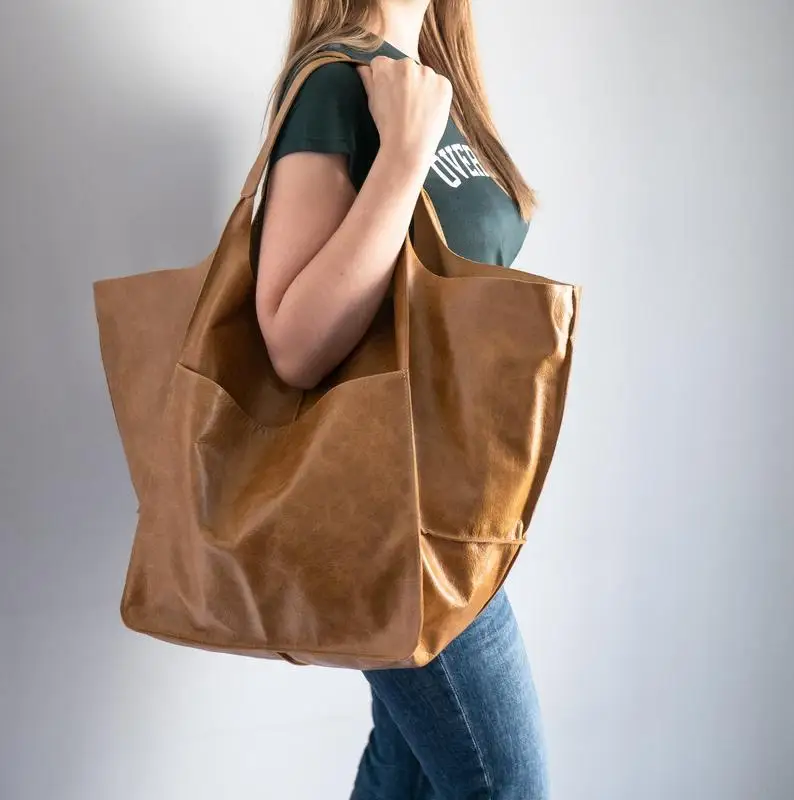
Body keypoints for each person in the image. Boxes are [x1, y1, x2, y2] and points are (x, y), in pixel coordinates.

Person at [253, 1, 547, 797]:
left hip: (461, 498)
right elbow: (293, 344)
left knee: (405, 775)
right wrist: (403, 158)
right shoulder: (338, 81)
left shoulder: (430, 80)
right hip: (399, 521)